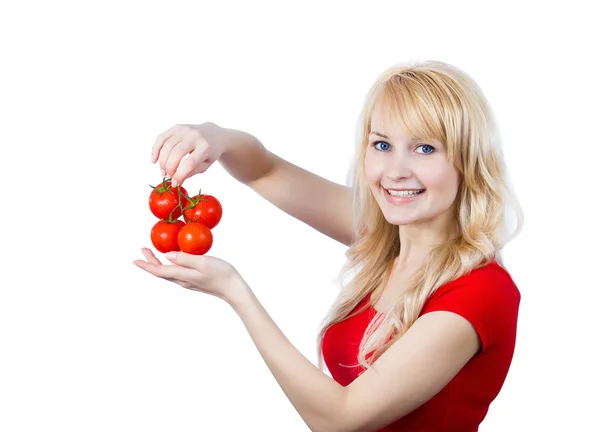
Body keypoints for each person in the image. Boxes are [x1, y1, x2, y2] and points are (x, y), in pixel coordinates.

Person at [134, 59, 524, 431]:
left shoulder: (481, 292)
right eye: (382, 145)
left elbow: (340, 418)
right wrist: (217, 136)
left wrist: (235, 292)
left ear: (468, 162)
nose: (395, 171)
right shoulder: (384, 238)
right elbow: (265, 171)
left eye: (425, 148)